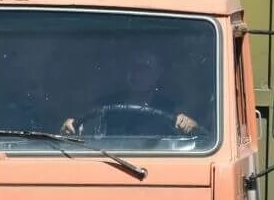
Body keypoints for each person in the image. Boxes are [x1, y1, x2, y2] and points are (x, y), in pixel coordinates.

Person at [61, 49, 198, 136]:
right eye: (133, 67)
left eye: (145, 67)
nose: (137, 73)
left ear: (158, 73)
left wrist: (191, 126)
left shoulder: (172, 109)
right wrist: (72, 126)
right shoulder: (103, 106)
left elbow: (196, 137)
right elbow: (81, 129)